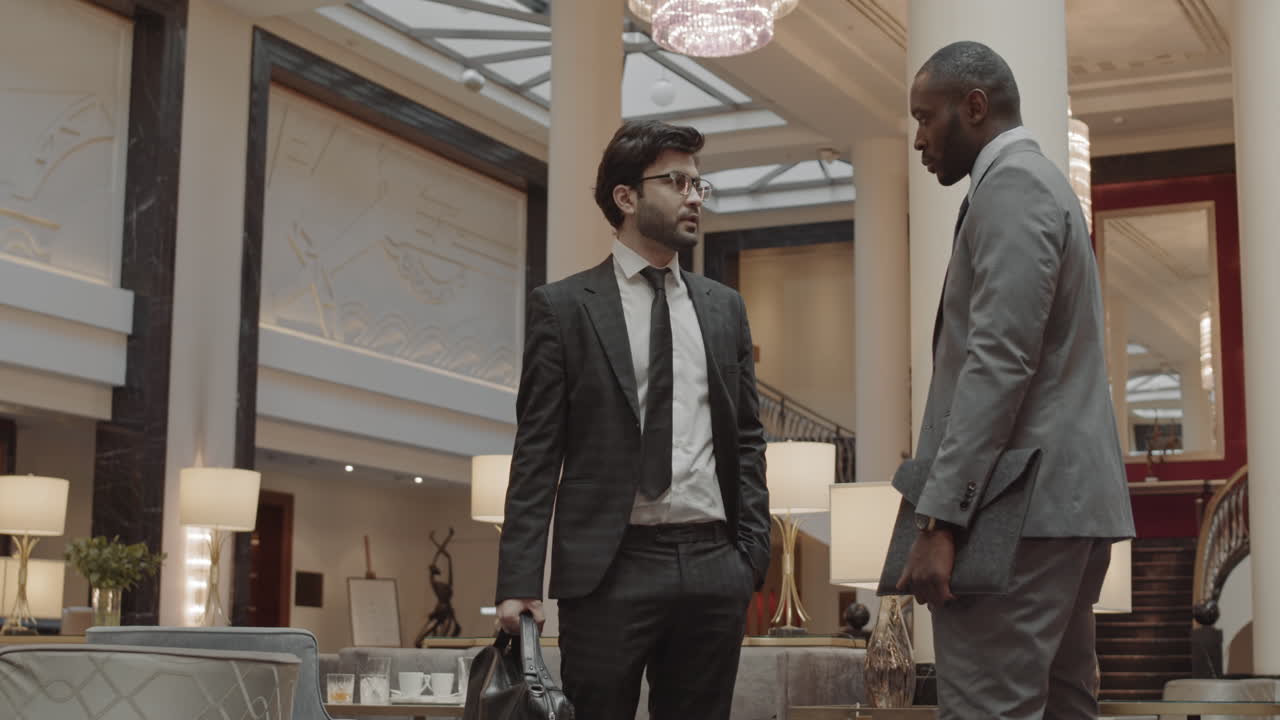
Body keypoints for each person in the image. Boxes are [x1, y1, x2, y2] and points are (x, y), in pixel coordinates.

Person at [493, 119, 770, 720]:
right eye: (677, 181)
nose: (695, 195)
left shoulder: (724, 309)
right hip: (609, 566)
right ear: (626, 197)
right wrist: (519, 580)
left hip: (713, 563)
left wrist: (749, 555)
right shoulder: (563, 308)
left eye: (700, 184)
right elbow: (537, 452)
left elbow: (747, 438)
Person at [897, 41, 1135, 719]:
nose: (918, 140)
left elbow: (1000, 362)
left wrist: (941, 519)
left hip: (1013, 516)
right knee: (1062, 707)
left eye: (925, 118)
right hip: (1054, 510)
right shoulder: (1037, 185)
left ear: (974, 107)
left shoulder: (1014, 187)